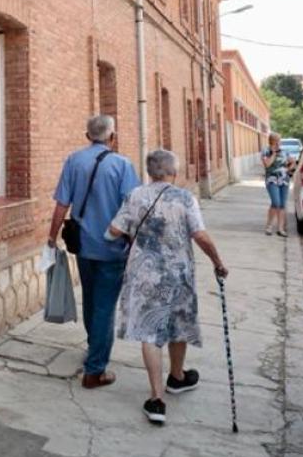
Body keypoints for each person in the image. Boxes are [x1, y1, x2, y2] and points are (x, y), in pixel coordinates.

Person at [106, 149, 228, 425]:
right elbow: (200, 235)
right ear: (172, 172)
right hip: (177, 274)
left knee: (150, 331)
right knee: (178, 323)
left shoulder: (135, 195)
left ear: (150, 172)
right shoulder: (185, 198)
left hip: (144, 274)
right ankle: (177, 376)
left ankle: (157, 398)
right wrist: (218, 262)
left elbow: (114, 230)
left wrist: (133, 233)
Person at [47, 115, 140, 389]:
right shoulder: (122, 165)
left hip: (83, 245)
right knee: (104, 306)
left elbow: (61, 205)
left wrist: (51, 236)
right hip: (113, 247)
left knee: (90, 298)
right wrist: (135, 243)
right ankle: (95, 369)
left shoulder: (74, 161)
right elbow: (132, 208)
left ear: (88, 136)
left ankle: (94, 347)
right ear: (113, 136)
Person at [261, 132, 291, 237]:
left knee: (282, 204)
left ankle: (280, 229)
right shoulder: (266, 151)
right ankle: (269, 226)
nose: (279, 143)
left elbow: (291, 163)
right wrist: (273, 153)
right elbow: (267, 164)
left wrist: (289, 168)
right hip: (271, 180)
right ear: (271, 141)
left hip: (284, 180)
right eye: (276, 141)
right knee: (276, 202)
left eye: (279, 141)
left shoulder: (284, 151)